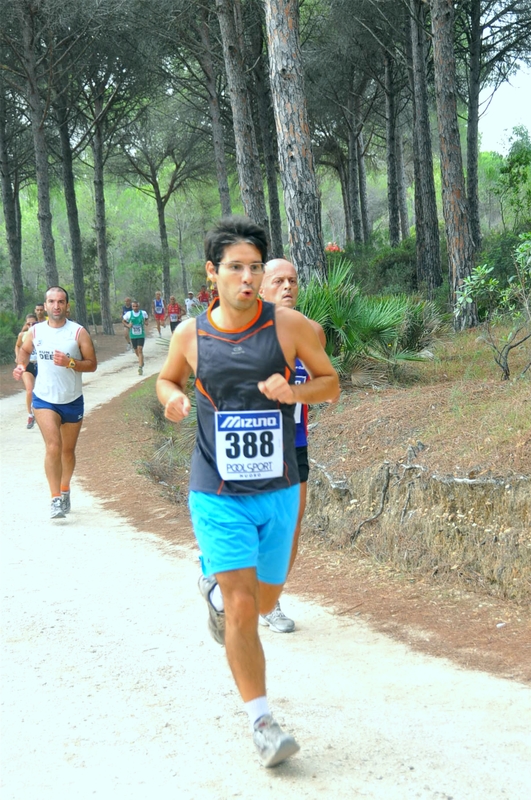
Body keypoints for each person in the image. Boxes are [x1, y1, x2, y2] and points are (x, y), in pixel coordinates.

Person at [156, 216, 338, 767]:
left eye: (255, 268)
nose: (248, 279)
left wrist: (295, 387)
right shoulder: (190, 334)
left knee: (263, 602)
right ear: (212, 273)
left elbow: (330, 383)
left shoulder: (290, 328)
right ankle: (262, 721)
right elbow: (168, 378)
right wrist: (171, 399)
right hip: (215, 487)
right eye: (235, 268)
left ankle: (214, 595)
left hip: (278, 487)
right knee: (241, 606)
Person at [260, 258, 336, 633]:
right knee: (255, 521)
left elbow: (324, 381)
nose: (287, 287)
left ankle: (269, 601)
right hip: (251, 440)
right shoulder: (244, 332)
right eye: (278, 281)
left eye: (292, 280)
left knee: (290, 523)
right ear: (261, 287)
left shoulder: (313, 332)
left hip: (294, 440)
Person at [13, 287, 97, 519]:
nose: (56, 305)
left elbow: (91, 364)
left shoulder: (78, 332)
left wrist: (71, 363)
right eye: (52, 301)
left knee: (67, 451)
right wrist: (21, 365)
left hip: (71, 399)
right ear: (45, 305)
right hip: (44, 398)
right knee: (53, 446)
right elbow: (24, 350)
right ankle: (55, 499)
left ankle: (65, 489)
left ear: (67, 306)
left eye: (61, 301)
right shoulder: (36, 331)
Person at [15, 314, 38, 429]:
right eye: (29, 323)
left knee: (41, 390)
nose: (31, 325)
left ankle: (41, 414)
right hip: (27, 366)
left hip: (40, 366)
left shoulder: (43, 334)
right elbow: (18, 345)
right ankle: (30, 415)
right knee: (29, 389)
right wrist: (18, 357)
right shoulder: (23, 335)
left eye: (33, 323)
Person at [123, 301, 148, 375]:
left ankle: (140, 367)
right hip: (133, 335)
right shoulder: (129, 314)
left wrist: (146, 322)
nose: (135, 308)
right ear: (132, 307)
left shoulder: (143, 313)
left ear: (138, 306)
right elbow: (123, 321)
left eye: (136, 306)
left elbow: (146, 319)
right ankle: (141, 361)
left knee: (140, 350)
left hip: (141, 335)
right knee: (136, 351)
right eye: (133, 306)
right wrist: (128, 325)